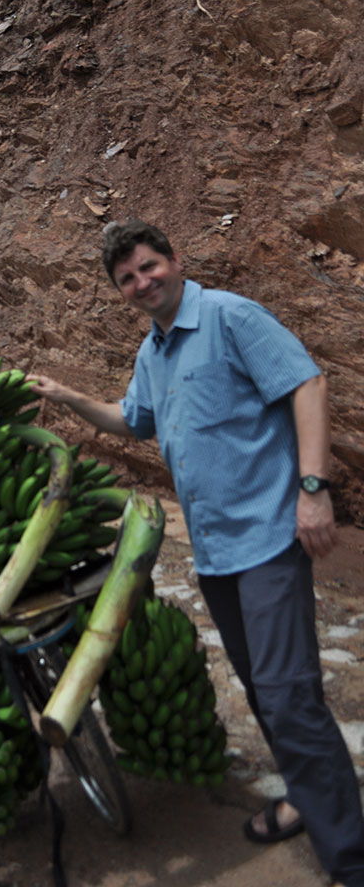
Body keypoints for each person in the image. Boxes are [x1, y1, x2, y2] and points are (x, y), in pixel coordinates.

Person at [27, 219, 364, 887]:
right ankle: (308, 797)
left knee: (289, 695)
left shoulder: (230, 317)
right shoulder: (153, 352)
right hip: (215, 554)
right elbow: (133, 420)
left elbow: (307, 385)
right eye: (128, 279)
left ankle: (350, 857)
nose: (142, 283)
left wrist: (313, 489)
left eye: (150, 267)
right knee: (267, 693)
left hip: (267, 537)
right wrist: (66, 398)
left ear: (176, 260)